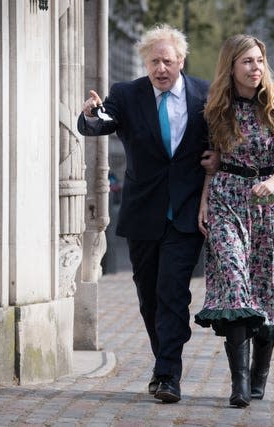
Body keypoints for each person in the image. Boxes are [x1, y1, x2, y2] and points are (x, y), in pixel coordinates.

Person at [77, 24, 218, 404]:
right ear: (146, 62)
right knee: (149, 297)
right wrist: (91, 114)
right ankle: (163, 362)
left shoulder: (204, 94)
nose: (160, 68)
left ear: (180, 61)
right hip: (143, 212)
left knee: (173, 292)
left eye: (167, 61)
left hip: (186, 212)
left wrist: (219, 158)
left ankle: (168, 374)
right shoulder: (127, 94)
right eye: (154, 61)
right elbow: (100, 123)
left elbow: (224, 137)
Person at [194, 34, 274, 408]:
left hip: (268, 204)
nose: (255, 68)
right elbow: (213, 159)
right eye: (247, 62)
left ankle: (259, 377)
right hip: (226, 199)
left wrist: (271, 181)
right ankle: (238, 385)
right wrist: (205, 198)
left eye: (259, 61)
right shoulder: (217, 108)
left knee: (266, 288)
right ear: (231, 67)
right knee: (235, 283)